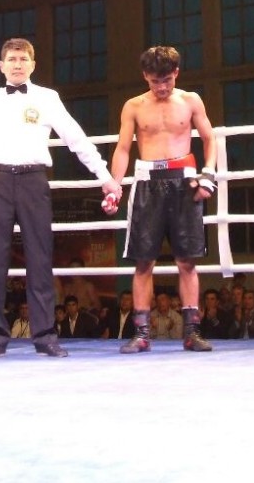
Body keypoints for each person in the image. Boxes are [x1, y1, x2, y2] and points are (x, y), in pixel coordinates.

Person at [0, 30, 122, 358]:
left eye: (23, 59)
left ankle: (45, 336)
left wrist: (105, 176)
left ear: (33, 64)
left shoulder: (47, 98)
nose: (17, 64)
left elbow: (75, 138)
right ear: (1, 65)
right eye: (12, 59)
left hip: (33, 180)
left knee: (40, 258)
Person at [104, 45, 217, 353]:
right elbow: (123, 148)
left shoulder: (191, 100)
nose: (162, 87)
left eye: (167, 79)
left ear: (176, 73)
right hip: (147, 184)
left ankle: (192, 333)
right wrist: (115, 185)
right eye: (156, 81)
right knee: (143, 262)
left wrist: (208, 175)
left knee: (187, 261)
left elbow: (210, 138)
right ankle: (141, 334)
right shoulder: (134, 106)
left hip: (184, 183)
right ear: (145, 76)